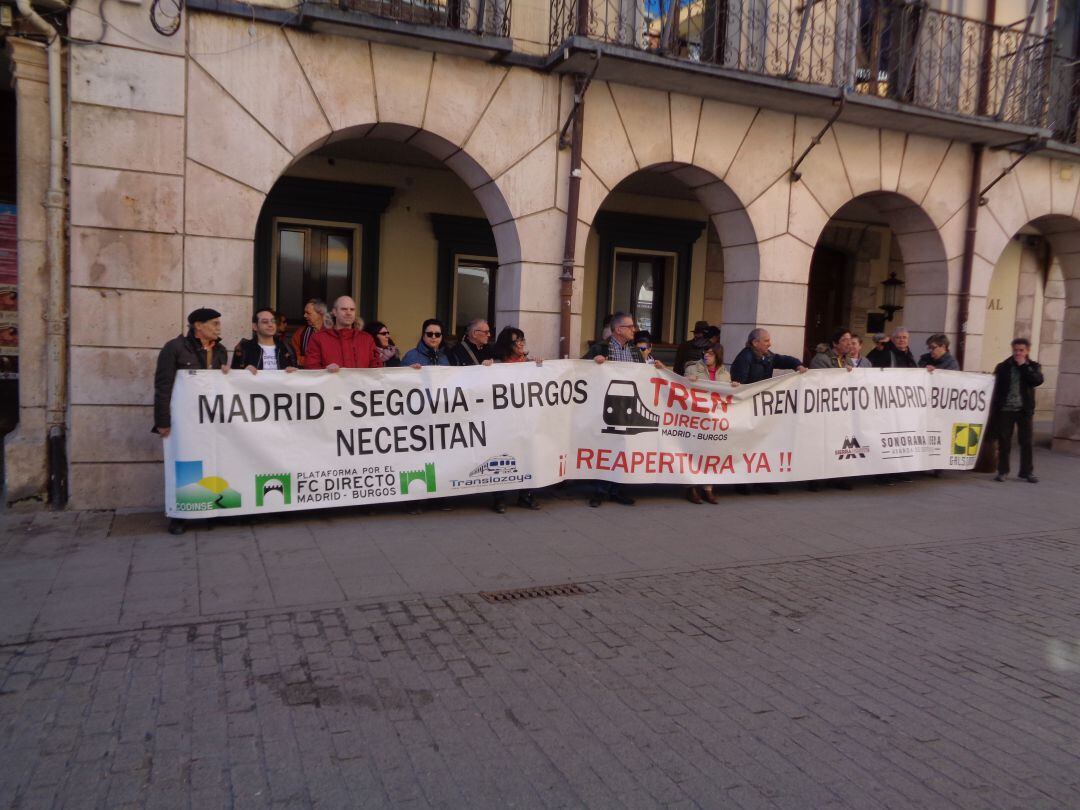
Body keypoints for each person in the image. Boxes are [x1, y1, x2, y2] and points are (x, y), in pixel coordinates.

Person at [153, 307, 230, 535]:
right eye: (214, 323)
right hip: (184, 421)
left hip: (211, 420)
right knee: (185, 463)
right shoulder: (174, 348)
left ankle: (209, 508)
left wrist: (228, 374)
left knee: (213, 460)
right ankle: (180, 515)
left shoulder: (221, 351)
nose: (218, 328)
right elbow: (163, 386)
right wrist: (162, 421)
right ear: (198, 325)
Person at [583, 312, 664, 508]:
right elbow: (580, 371)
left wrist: (656, 368)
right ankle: (600, 491)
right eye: (630, 326)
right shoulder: (600, 347)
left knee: (623, 447)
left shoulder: (635, 352)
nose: (634, 330)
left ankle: (617, 489)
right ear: (619, 329)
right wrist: (593, 362)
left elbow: (643, 376)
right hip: (605, 404)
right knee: (605, 446)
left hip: (627, 406)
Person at [489, 326, 543, 513]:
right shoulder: (496, 365)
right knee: (502, 456)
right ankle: (500, 497)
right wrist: (485, 369)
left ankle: (526, 495)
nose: (521, 344)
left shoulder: (528, 364)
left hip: (525, 420)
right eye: (516, 341)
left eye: (522, 339)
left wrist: (540, 367)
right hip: (503, 421)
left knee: (527, 454)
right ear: (507, 344)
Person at [682, 345, 737, 505]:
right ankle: (691, 487)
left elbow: (726, 395)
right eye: (705, 352)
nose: (707, 355)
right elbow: (680, 387)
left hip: (714, 420)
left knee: (711, 452)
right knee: (693, 452)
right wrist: (687, 381)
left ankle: (708, 488)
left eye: (711, 353)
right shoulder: (693, 369)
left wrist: (733, 387)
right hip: (695, 417)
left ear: (718, 356)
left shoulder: (725, 374)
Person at [991, 338, 1044, 484]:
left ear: (1027, 351)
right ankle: (1003, 471)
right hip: (1006, 409)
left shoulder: (1033, 366)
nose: (1018, 353)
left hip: (1024, 409)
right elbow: (995, 385)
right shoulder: (1003, 366)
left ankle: (1027, 472)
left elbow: (1037, 380)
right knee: (1004, 441)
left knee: (1026, 441)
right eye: (1015, 350)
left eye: (1021, 350)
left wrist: (1023, 367)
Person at [303, 296, 382, 371]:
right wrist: (325, 370)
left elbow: (376, 370)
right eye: (344, 309)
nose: (348, 313)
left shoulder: (367, 339)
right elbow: (311, 368)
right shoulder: (318, 338)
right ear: (335, 312)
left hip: (360, 385)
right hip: (330, 385)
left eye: (352, 309)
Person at [729, 328, 807, 384]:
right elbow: (739, 386)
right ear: (755, 342)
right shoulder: (744, 358)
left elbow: (783, 360)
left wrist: (798, 365)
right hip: (749, 403)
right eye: (766, 341)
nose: (770, 344)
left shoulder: (768, 355)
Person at [232, 309, 299, 373]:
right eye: (265, 322)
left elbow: (296, 377)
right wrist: (243, 372)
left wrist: (293, 372)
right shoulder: (244, 348)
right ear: (254, 326)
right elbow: (233, 378)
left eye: (273, 321)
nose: (270, 325)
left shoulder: (287, 349)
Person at [291, 299, 326, 367]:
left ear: (320, 314)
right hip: (306, 374)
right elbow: (294, 357)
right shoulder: (300, 333)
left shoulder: (332, 332)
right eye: (305, 313)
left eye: (308, 313)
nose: (304, 315)